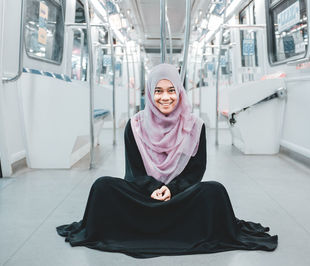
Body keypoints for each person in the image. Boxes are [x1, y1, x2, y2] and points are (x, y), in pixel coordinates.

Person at [56, 63, 278, 258]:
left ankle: (144, 228)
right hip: (143, 196)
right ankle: (176, 229)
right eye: (158, 91)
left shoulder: (195, 126)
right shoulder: (134, 125)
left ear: (180, 92)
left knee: (215, 191)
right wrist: (153, 188)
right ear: (150, 94)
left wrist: (171, 189)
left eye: (171, 90)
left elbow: (195, 171)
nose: (165, 97)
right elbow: (134, 172)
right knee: (102, 187)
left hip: (180, 198)